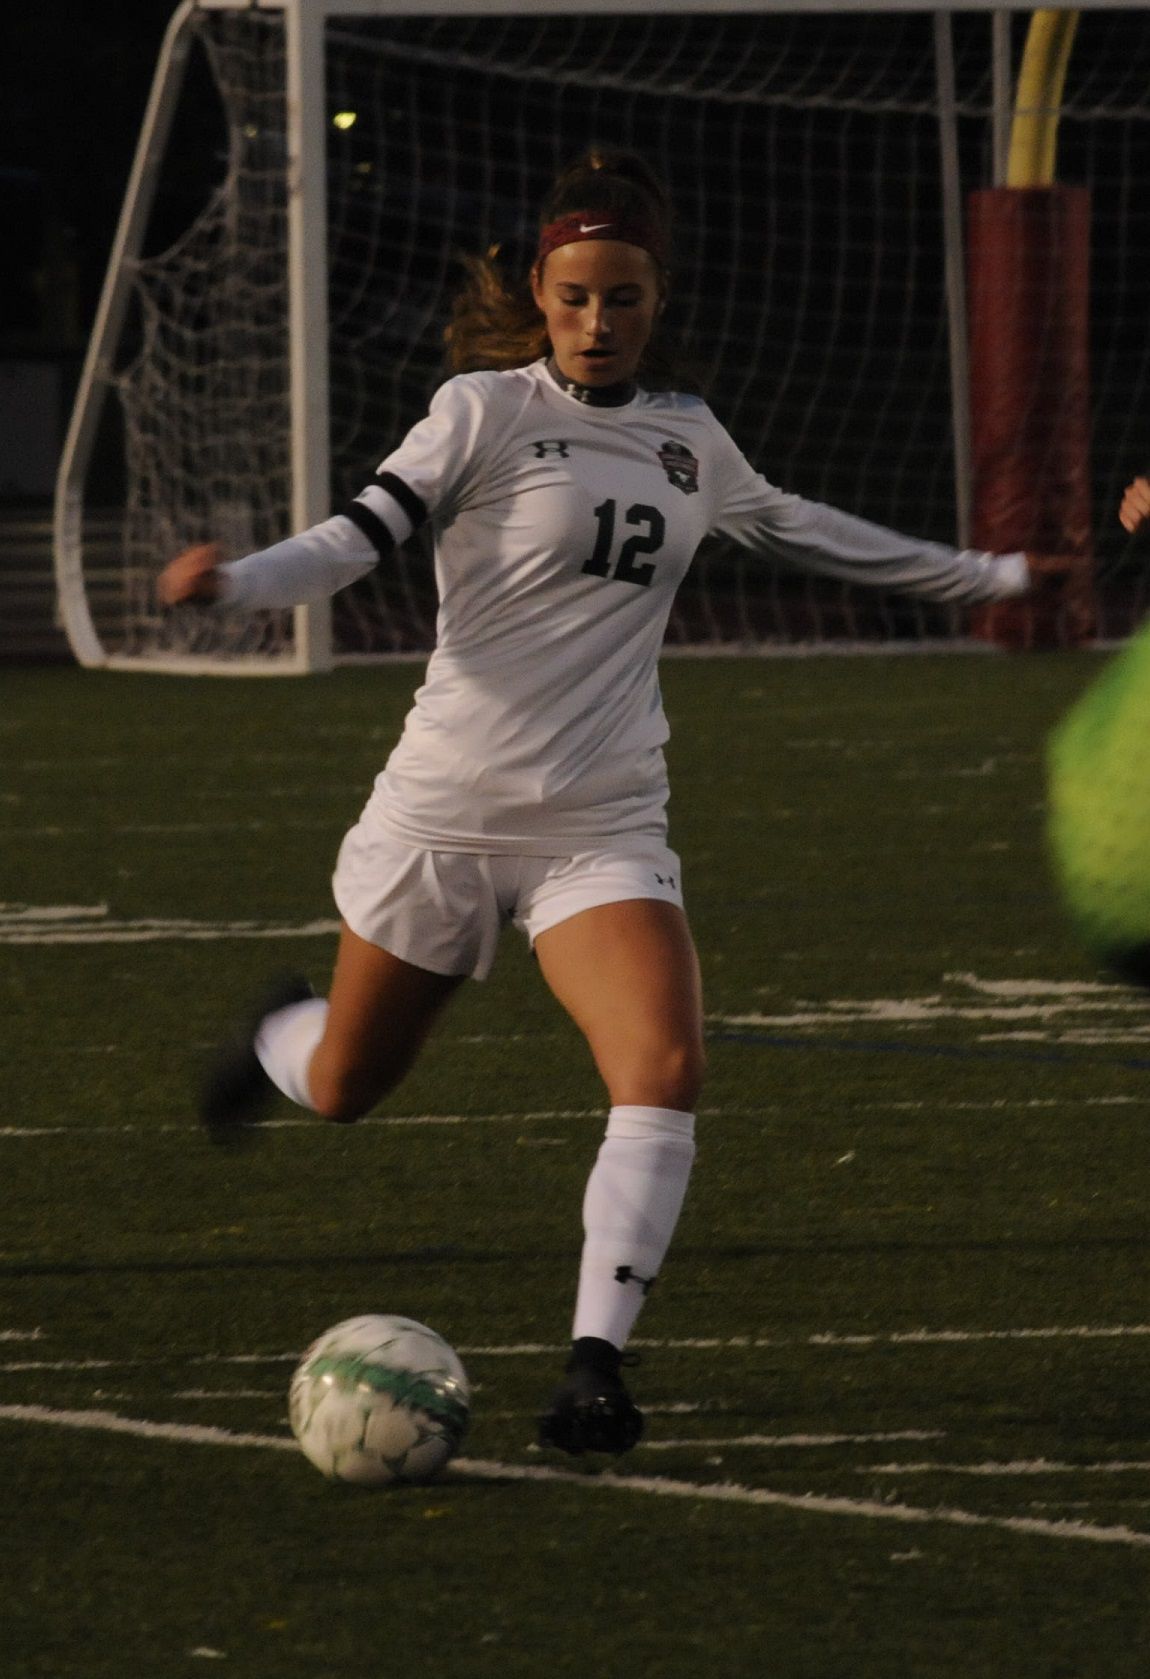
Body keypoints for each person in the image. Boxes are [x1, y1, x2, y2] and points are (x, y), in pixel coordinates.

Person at [158, 149, 1070, 1458]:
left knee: (663, 1065)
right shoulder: (479, 411)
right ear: (538, 291)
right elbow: (358, 537)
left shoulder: (690, 440)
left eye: (622, 298)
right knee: (347, 1083)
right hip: (446, 816)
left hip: (601, 821)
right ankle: (273, 1041)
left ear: (657, 299)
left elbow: (813, 530)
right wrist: (235, 586)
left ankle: (594, 1367)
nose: (596, 321)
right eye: (574, 295)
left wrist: (1001, 574)